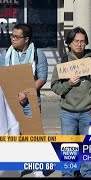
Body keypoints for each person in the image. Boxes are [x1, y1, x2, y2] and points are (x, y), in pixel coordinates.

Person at [51, 26, 91, 178]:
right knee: (68, 149)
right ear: (69, 43)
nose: (79, 44)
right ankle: (67, 174)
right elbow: (55, 87)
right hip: (67, 113)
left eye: (83, 41)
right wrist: (68, 83)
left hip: (88, 113)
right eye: (76, 41)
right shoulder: (63, 62)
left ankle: (88, 174)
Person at [0, 23, 48, 178]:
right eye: (12, 36)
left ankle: (37, 167)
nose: (13, 39)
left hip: (30, 101)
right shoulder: (6, 54)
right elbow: (2, 77)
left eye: (17, 37)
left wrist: (26, 93)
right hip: (10, 101)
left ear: (26, 39)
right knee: (14, 134)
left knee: (33, 134)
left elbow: (42, 77)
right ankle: (17, 166)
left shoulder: (37, 54)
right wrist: (13, 93)